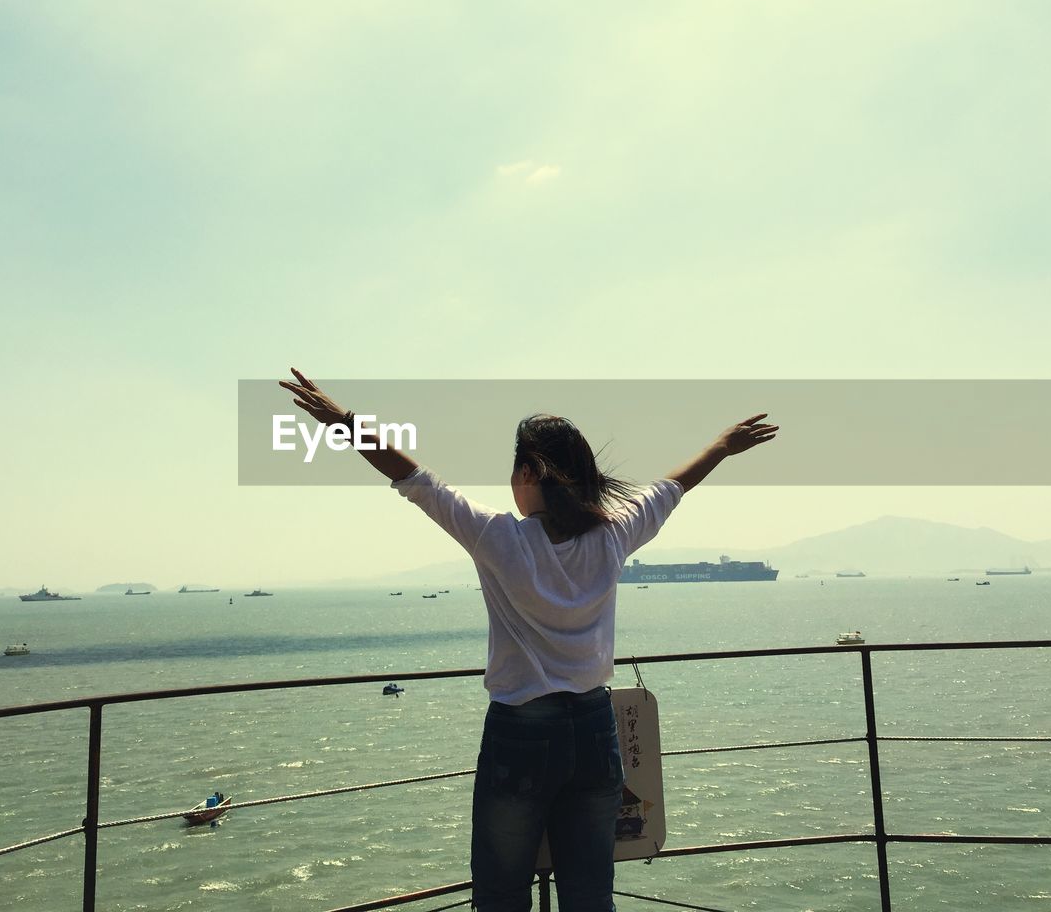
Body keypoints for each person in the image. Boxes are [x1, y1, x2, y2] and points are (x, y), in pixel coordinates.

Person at [278, 368, 777, 912]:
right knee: (589, 894)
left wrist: (342, 422)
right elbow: (674, 486)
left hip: (520, 734)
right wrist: (722, 447)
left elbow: (414, 478)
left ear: (530, 473)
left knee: (500, 894)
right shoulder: (615, 532)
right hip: (593, 729)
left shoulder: (497, 538)